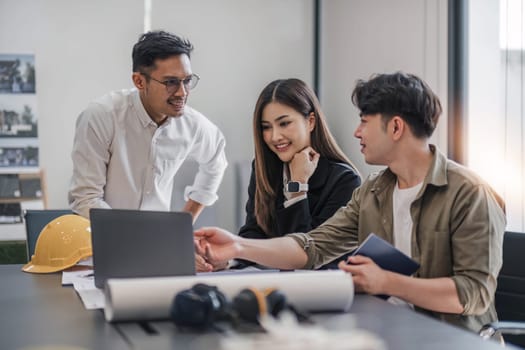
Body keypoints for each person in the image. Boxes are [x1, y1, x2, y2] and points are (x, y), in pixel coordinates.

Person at [195, 72, 506, 333]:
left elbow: (473, 294)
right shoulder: (373, 191)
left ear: (395, 127)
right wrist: (237, 247)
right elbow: (311, 247)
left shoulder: (469, 193)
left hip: (447, 336)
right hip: (384, 326)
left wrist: (386, 282)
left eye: (365, 121)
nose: (357, 132)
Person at [68, 31, 227, 221]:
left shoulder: (192, 125)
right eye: (171, 82)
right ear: (139, 81)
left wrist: (186, 220)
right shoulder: (102, 116)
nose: (182, 92)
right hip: (104, 238)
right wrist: (133, 236)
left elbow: (216, 162)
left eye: (187, 81)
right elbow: (86, 198)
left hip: (158, 240)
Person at [223, 78, 360, 270]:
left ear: (311, 121)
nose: (274, 136)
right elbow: (255, 234)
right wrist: (228, 259)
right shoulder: (265, 169)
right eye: (266, 127)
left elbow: (307, 256)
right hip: (276, 285)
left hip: (321, 291)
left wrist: (297, 186)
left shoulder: (345, 180)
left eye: (284, 123)